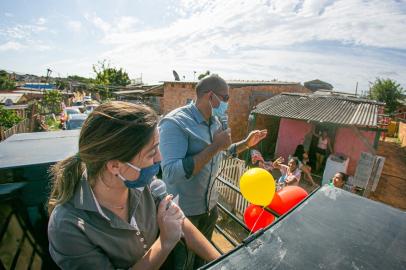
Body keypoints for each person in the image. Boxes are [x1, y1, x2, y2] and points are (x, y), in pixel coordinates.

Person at [47, 102, 220, 270]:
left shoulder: (146, 185)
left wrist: (224, 262)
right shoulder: (67, 226)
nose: (160, 158)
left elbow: (180, 222)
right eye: (152, 152)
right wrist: (164, 243)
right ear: (115, 166)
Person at [159, 74, 267, 269]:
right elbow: (171, 173)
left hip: (209, 209)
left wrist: (246, 143)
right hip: (183, 214)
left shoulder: (216, 122)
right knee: (181, 264)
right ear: (210, 96)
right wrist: (215, 147)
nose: (228, 103)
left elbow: (222, 152)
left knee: (203, 262)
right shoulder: (175, 123)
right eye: (225, 98)